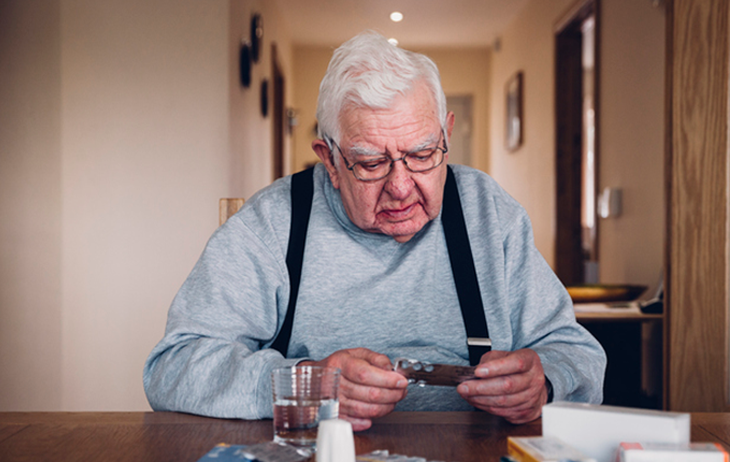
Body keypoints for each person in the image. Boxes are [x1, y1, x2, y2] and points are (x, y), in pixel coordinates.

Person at [143, 31, 605, 431]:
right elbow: (172, 368)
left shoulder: (488, 212)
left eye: (423, 154)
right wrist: (305, 383)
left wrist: (544, 382)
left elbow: (577, 353)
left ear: (446, 133)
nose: (401, 187)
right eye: (370, 163)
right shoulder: (273, 223)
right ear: (330, 161)